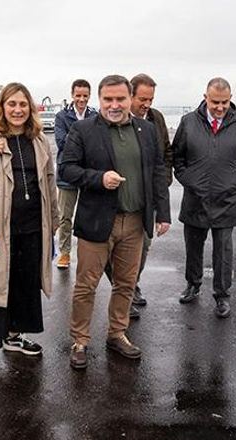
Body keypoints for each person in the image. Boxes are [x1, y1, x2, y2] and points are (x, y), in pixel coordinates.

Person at [59, 75, 171, 370]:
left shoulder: (145, 130)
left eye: (120, 99)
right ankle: (80, 340)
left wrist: (164, 213)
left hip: (134, 221)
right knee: (86, 285)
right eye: (108, 99)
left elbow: (158, 170)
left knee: (126, 283)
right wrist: (98, 178)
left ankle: (117, 333)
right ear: (100, 99)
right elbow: (67, 168)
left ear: (130, 98)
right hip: (97, 222)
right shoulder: (84, 129)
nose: (114, 105)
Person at [0, 82, 59, 364]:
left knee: (24, 282)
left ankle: (14, 336)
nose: (17, 110)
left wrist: (54, 220)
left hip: (33, 225)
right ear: (2, 107)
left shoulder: (39, 139)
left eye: (23, 105)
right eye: (12, 104)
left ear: (29, 108)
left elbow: (49, 180)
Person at [172, 77, 236, 318]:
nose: (220, 108)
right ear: (205, 98)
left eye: (225, 102)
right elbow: (177, 158)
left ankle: (222, 295)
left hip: (226, 201)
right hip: (195, 199)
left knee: (223, 251)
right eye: (215, 102)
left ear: (231, 99)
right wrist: (188, 180)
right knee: (193, 247)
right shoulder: (188, 122)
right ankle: (193, 285)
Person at [105, 74, 173, 320]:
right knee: (107, 253)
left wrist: (162, 184)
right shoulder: (112, 120)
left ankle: (131, 285)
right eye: (143, 99)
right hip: (116, 200)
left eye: (151, 99)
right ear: (130, 96)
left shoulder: (156, 119)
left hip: (147, 200)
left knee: (142, 247)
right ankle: (124, 288)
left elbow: (165, 153)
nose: (147, 104)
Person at [53, 79, 96, 270]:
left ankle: (88, 254)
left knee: (88, 215)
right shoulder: (61, 116)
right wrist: (84, 141)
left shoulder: (95, 115)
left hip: (88, 172)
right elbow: (62, 142)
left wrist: (80, 140)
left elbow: (98, 143)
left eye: (85, 95)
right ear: (72, 95)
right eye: (78, 95)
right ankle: (64, 252)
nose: (81, 99)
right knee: (65, 217)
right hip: (67, 174)